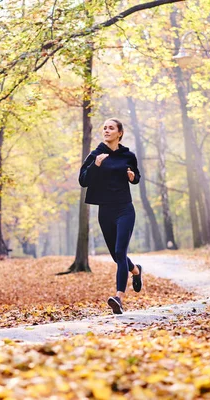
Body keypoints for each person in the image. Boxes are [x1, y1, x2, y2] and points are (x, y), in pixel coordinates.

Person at [78, 118, 142, 314]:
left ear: (119, 133)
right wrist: (95, 166)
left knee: (120, 252)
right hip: (105, 210)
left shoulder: (128, 155)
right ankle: (136, 271)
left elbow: (136, 176)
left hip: (125, 209)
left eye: (111, 128)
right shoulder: (95, 154)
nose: (106, 130)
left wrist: (133, 177)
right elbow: (83, 181)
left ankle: (118, 298)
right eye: (104, 128)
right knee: (116, 256)